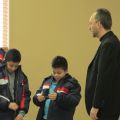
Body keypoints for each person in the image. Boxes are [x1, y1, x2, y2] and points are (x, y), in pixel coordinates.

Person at [85, 8, 120, 120]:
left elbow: (104, 77)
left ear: (99, 24)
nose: (89, 27)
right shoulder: (109, 42)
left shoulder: (108, 44)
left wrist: (96, 105)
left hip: (105, 109)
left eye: (91, 23)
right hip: (106, 107)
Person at [33, 56, 81, 120]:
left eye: (59, 73)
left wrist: (58, 97)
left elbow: (74, 101)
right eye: (54, 72)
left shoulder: (72, 84)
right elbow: (37, 95)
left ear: (66, 71)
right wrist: (37, 98)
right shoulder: (47, 81)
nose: (56, 75)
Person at [0, 49, 31, 120]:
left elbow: (25, 96)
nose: (13, 68)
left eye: (16, 66)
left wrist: (21, 113)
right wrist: (7, 104)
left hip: (15, 115)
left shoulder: (22, 77)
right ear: (6, 61)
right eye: (11, 65)